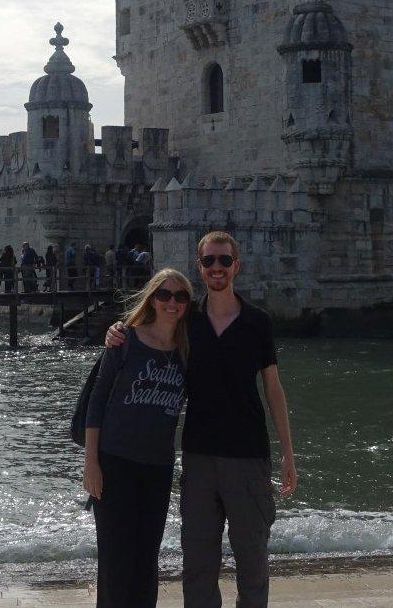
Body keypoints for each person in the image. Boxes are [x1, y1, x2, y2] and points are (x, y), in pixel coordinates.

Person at [106, 232, 297, 608]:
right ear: (200, 267)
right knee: (197, 564)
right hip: (198, 457)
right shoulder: (186, 322)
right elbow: (151, 335)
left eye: (224, 260)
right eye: (209, 261)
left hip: (248, 458)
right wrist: (117, 332)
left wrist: (288, 454)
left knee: (253, 561)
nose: (217, 268)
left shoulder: (258, 322)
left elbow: (273, 389)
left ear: (236, 266)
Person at [85, 269, 191, 608]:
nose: (171, 303)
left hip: (157, 468)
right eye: (164, 295)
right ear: (152, 299)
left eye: (180, 297)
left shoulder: (188, 351)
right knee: (115, 562)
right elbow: (96, 403)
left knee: (147, 561)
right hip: (115, 463)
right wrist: (91, 464)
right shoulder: (125, 340)